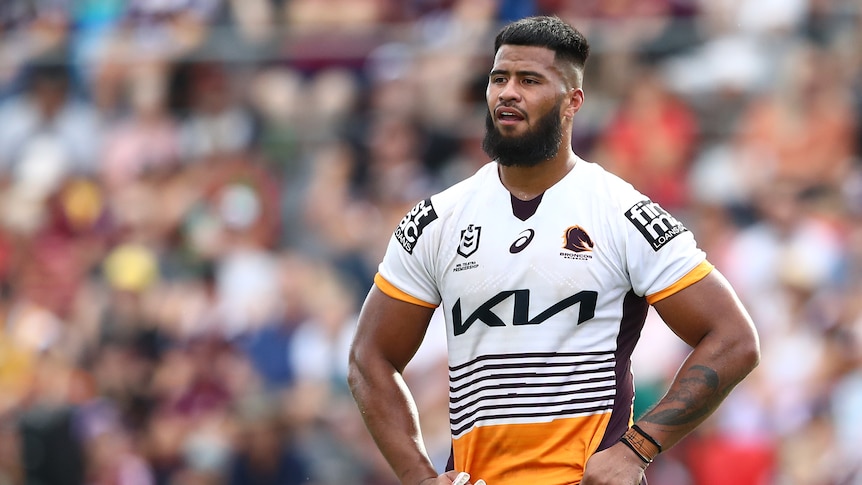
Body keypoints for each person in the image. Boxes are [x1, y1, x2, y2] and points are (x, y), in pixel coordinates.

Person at [348, 15, 760, 485]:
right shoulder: (437, 220)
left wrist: (636, 450)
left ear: (572, 102)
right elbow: (370, 356)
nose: (507, 92)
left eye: (529, 80)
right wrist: (418, 476)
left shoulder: (621, 213)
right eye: (498, 78)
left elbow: (734, 339)